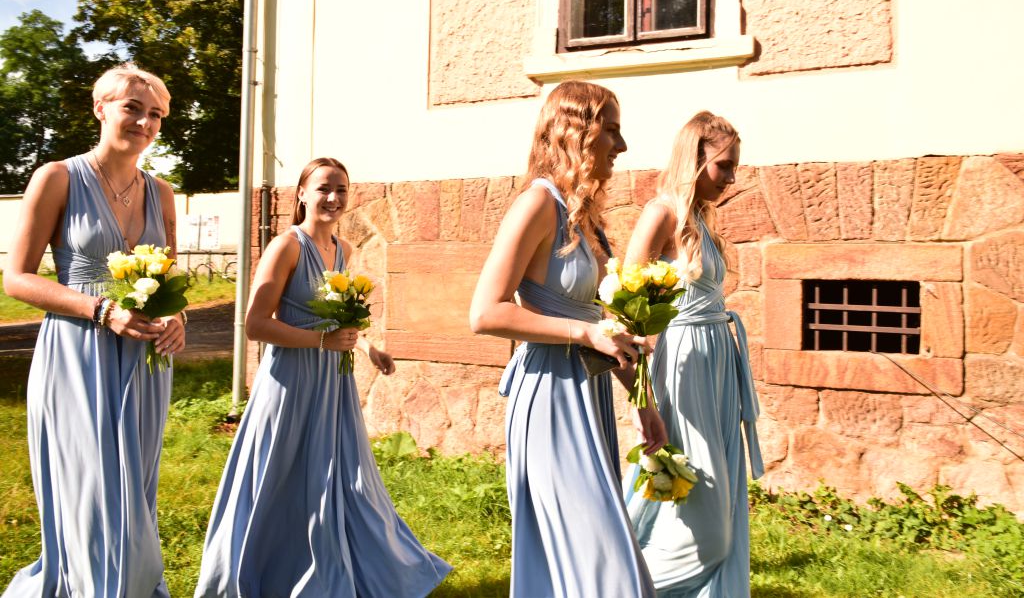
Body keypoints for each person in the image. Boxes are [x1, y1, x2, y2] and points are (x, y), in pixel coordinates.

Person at [194, 157, 451, 597]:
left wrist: (368, 347)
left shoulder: (343, 250)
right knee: (279, 477)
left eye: (341, 189)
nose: (333, 197)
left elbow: (338, 319)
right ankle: (265, 571)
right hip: (291, 381)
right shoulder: (286, 247)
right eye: (323, 188)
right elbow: (256, 324)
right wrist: (321, 342)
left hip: (333, 382)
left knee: (341, 475)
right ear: (301, 193)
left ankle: (344, 565)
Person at [469, 80, 666, 597]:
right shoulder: (537, 204)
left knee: (594, 557)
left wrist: (643, 402)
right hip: (550, 396)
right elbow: (485, 312)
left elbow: (605, 325)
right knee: (600, 559)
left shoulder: (588, 218)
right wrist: (585, 332)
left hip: (590, 392)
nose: (622, 146)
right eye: (612, 131)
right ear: (575, 131)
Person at [3, 64, 183, 597]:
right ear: (101, 108)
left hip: (145, 362)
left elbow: (170, 280)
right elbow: (16, 278)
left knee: (133, 492)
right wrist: (101, 311)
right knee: (89, 489)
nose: (145, 122)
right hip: (77, 355)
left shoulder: (163, 193)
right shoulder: (57, 177)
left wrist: (178, 318)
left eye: (156, 114)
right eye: (132, 108)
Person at [623, 111, 763, 597]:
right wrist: (640, 394)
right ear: (694, 160)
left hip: (717, 366)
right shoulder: (660, 213)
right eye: (724, 166)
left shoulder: (701, 219)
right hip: (683, 368)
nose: (731, 178)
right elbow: (626, 308)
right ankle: (625, 587)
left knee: (714, 503)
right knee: (705, 520)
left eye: (734, 167)